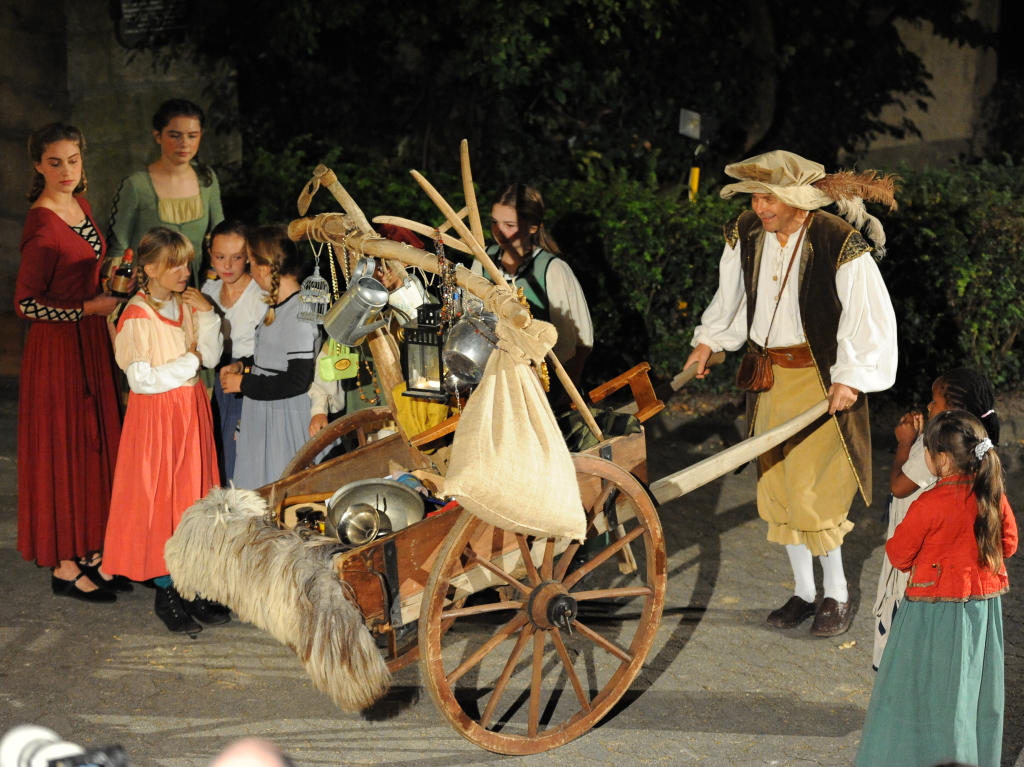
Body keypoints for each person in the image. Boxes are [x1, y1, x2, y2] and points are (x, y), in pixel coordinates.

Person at [685, 150, 898, 636]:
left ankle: (837, 596)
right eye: (756, 197)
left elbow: (870, 320)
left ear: (799, 203)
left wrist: (851, 376)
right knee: (779, 488)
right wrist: (708, 342)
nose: (760, 207)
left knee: (814, 492)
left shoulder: (837, 242)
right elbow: (732, 299)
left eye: (770, 197)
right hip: (769, 380)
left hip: (820, 382)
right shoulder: (747, 233)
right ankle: (805, 592)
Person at [855, 409, 1017, 767]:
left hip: (931, 611)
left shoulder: (930, 502)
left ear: (940, 459)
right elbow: (1008, 545)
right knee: (969, 690)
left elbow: (898, 555)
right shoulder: (992, 494)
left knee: (920, 689)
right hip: (981, 612)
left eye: (926, 450)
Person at [15, 123, 125, 603]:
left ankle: (91, 548)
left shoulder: (80, 205)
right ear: (38, 165)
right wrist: (87, 309)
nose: (66, 171)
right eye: (55, 162)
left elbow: (84, 265)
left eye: (73, 160)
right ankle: (63, 565)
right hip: (57, 350)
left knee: (92, 444)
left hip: (89, 341)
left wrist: (111, 275)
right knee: (64, 447)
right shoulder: (40, 225)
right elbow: (26, 304)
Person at [102, 227, 226, 633]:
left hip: (190, 413)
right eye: (175, 265)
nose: (185, 272)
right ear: (149, 268)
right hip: (156, 420)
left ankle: (190, 585)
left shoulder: (186, 305)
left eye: (187, 264)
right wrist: (190, 364)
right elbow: (142, 380)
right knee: (160, 502)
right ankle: (165, 589)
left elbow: (210, 354)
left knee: (190, 500)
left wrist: (207, 315)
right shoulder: (135, 315)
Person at [871, 367, 999, 668]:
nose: (929, 406)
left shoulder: (936, 456)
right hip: (960, 587)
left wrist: (905, 442)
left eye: (935, 401)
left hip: (917, 577)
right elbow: (1008, 542)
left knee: (904, 650)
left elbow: (899, 487)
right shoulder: (980, 464)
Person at [471, 184, 592, 406]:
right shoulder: (482, 262)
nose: (498, 231)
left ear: (533, 227)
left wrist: (565, 399)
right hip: (491, 386)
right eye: (495, 222)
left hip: (546, 390)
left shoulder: (553, 270)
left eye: (509, 225)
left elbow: (580, 345)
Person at [222, 225, 320, 489]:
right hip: (266, 415)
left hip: (284, 421)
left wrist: (244, 384)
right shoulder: (279, 306)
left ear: (264, 269)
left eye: (250, 262)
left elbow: (297, 379)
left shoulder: (300, 311)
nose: (249, 269)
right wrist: (244, 366)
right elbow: (274, 359)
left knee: (281, 489)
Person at [106, 99, 224, 288]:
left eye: (192, 136)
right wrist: (118, 288)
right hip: (148, 287)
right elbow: (119, 244)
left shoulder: (206, 179)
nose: (184, 143)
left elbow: (220, 233)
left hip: (194, 284)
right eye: (175, 135)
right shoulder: (137, 185)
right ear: (158, 135)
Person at [201, 220, 268, 481]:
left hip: (249, 379)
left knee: (240, 449)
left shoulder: (260, 294)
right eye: (220, 257)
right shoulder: (208, 291)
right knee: (219, 446)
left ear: (249, 257)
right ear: (211, 256)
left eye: (236, 257)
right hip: (220, 380)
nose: (227, 266)